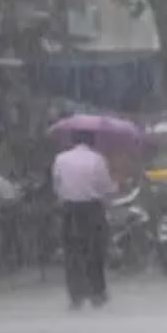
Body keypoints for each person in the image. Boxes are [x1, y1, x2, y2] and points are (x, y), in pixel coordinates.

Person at [52, 130, 117, 309]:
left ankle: (76, 295)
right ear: (92, 141)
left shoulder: (60, 159)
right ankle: (97, 292)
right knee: (95, 252)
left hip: (69, 210)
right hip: (92, 210)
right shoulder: (97, 159)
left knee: (72, 254)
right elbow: (105, 187)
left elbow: (57, 186)